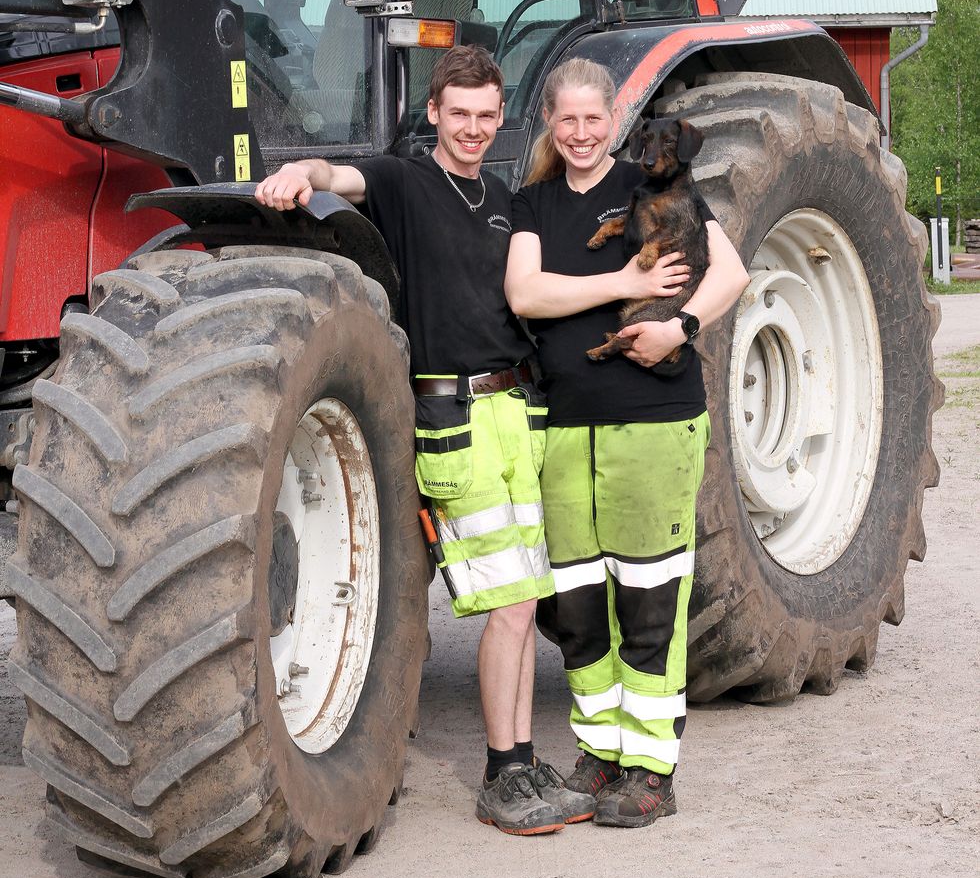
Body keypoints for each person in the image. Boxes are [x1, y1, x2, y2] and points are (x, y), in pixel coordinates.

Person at [255, 46, 666, 835]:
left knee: (524, 593)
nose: (473, 129)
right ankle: (503, 769)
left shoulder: (509, 198)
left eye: (486, 116)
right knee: (508, 604)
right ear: (434, 113)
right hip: (457, 416)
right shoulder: (407, 182)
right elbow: (339, 177)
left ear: (501, 116)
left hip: (520, 409)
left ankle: (517, 757)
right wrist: (296, 175)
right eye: (459, 115)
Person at [506, 56, 750, 828]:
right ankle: (599, 750)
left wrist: (679, 322)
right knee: (577, 603)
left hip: (652, 415)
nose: (580, 133)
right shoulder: (533, 202)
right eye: (566, 119)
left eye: (594, 119)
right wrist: (624, 286)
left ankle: (649, 766)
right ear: (550, 121)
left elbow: (732, 270)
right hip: (565, 423)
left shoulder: (652, 187)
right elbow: (526, 293)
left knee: (648, 597)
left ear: (615, 120)